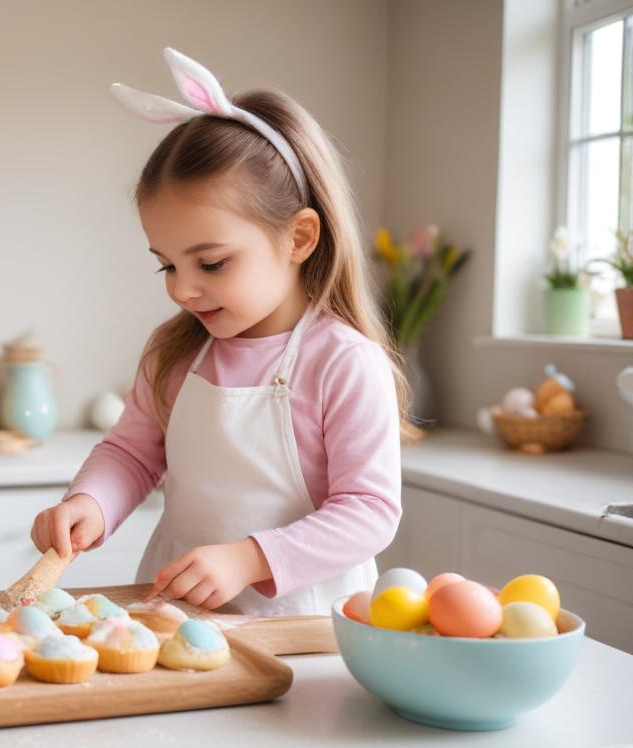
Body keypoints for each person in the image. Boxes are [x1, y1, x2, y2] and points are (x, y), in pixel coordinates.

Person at [30, 49, 410, 616]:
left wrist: (248, 560)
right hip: (181, 617)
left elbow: (369, 510)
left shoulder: (343, 362)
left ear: (299, 238)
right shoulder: (174, 352)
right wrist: (91, 503)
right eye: (167, 265)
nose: (182, 290)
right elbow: (132, 454)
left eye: (210, 264)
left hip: (304, 631)